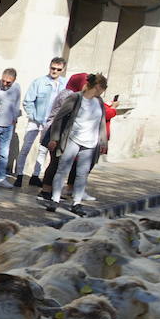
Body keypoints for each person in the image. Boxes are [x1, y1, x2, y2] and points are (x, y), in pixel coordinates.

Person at [44, 72, 108, 215]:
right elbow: (59, 118)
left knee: (82, 173)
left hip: (90, 142)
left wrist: (103, 141)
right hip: (73, 138)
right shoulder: (76, 97)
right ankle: (55, 199)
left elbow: (101, 122)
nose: (103, 91)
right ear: (98, 86)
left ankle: (76, 202)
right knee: (63, 168)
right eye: (103, 88)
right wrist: (54, 138)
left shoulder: (99, 102)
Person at [16, 56, 65, 187]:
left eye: (58, 69)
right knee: (26, 147)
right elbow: (28, 101)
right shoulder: (39, 82)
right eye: (52, 68)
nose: (54, 71)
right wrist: (34, 116)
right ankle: (19, 174)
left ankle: (36, 175)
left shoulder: (64, 84)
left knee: (43, 150)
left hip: (51, 123)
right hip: (36, 120)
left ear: (62, 70)